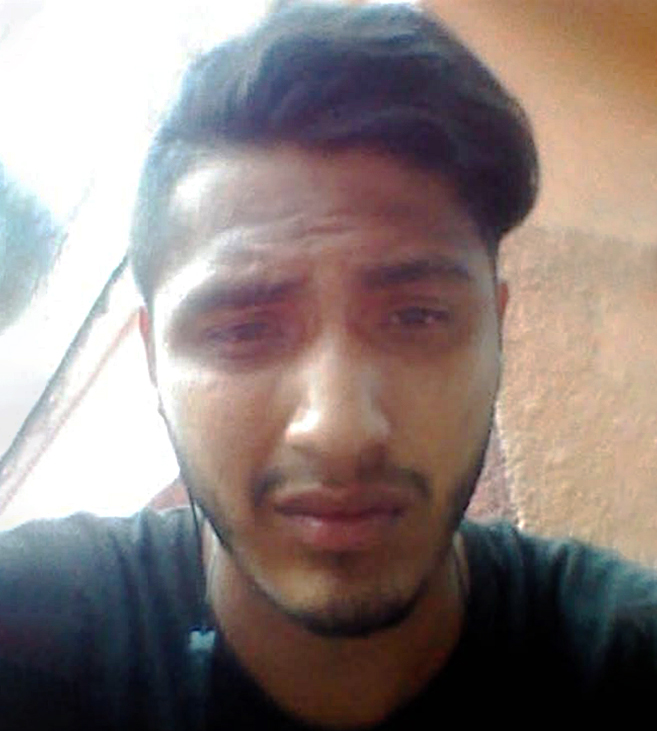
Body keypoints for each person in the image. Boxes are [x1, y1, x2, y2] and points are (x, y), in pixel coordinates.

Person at [1, 2, 656, 727]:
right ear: (154, 360)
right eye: (244, 329)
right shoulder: (28, 628)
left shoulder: (625, 658)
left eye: (416, 317)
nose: (340, 431)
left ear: (495, 332)